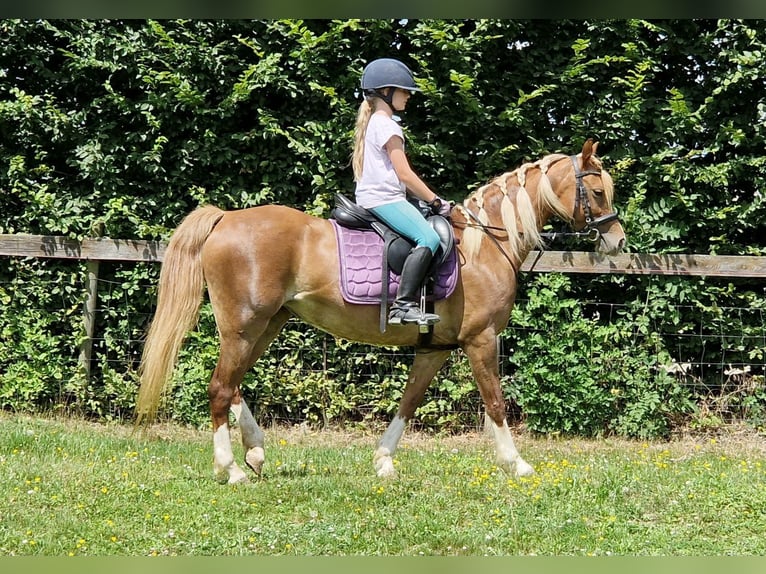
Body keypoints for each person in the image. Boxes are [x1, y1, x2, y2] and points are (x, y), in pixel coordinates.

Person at [352, 57, 451, 326]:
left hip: (375, 197)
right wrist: (436, 200)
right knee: (429, 238)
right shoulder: (386, 124)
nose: (408, 96)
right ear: (386, 92)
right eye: (404, 90)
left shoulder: (376, 121)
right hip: (384, 199)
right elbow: (404, 174)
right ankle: (403, 305)